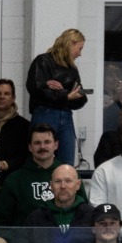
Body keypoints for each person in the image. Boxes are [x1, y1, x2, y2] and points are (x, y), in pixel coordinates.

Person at [25, 29, 88, 166]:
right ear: (71, 43)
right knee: (40, 157)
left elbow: (81, 96)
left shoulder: (72, 69)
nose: (80, 53)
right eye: (79, 48)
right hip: (45, 113)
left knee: (67, 161)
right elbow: (34, 87)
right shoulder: (43, 61)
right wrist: (66, 95)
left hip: (65, 114)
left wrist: (63, 93)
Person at [0, 123, 59, 226]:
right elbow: (2, 222)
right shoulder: (14, 181)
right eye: (37, 143)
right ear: (30, 147)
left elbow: (83, 214)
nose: (42, 147)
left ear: (56, 145)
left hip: (64, 240)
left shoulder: (70, 176)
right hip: (24, 241)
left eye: (47, 142)